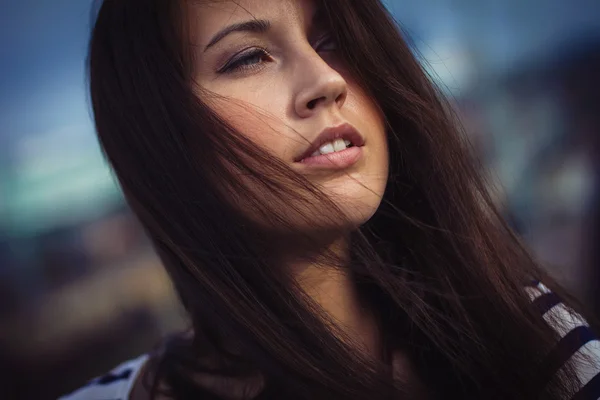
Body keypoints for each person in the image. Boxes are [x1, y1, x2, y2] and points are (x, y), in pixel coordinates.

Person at [60, 0, 600, 399]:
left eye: (330, 41)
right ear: (158, 137)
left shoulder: (527, 338)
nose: (327, 80)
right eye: (249, 56)